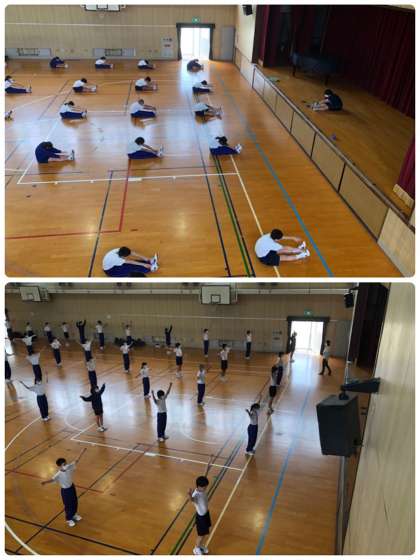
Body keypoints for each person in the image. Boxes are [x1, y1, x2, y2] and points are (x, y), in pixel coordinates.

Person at [40, 449, 86, 527]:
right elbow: (52, 479)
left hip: (72, 487)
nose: (66, 465)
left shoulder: (69, 467)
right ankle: (68, 519)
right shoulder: (58, 474)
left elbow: (76, 460)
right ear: (60, 466)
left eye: (65, 463)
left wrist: (82, 452)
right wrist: (45, 482)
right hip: (65, 491)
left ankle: (74, 514)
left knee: (74, 501)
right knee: (68, 504)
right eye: (64, 464)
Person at [188, 476, 212, 555]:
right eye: (204, 487)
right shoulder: (196, 495)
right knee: (201, 535)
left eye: (206, 487)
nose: (206, 488)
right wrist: (189, 494)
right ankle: (196, 548)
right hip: (201, 518)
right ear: (199, 486)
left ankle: (200, 545)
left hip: (206, 514)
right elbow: (191, 499)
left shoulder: (201, 490)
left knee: (205, 533)